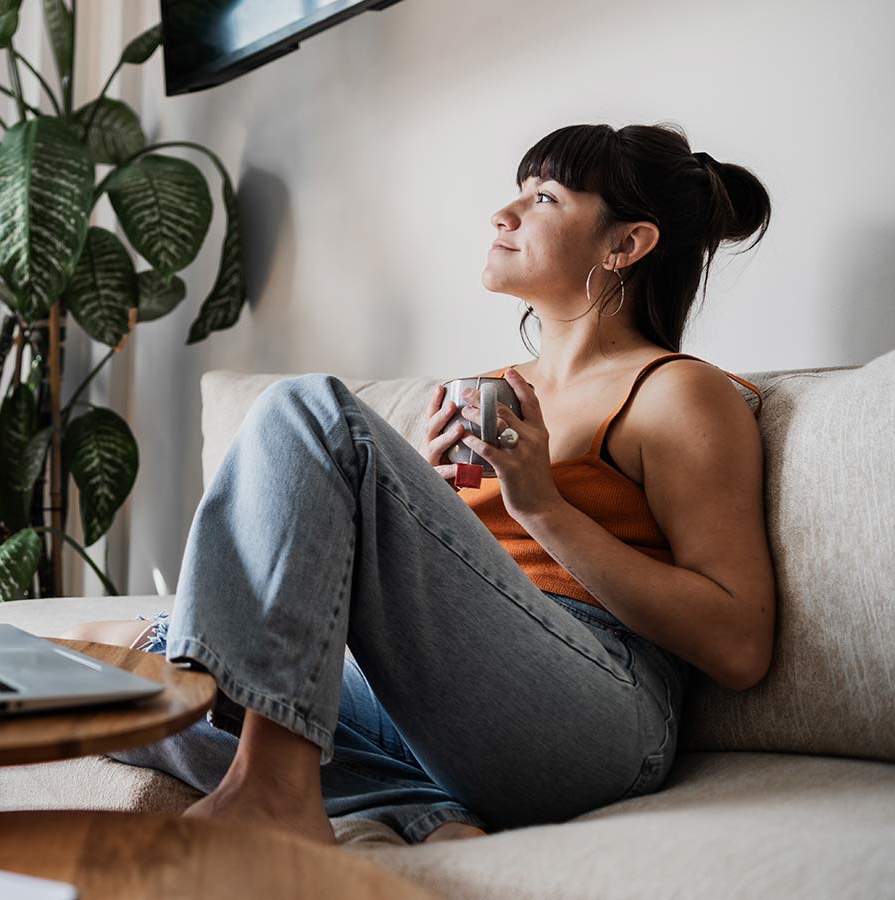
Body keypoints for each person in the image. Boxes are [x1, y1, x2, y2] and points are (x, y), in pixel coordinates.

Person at [58, 122, 777, 846]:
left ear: (626, 245)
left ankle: (273, 789)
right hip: (446, 716)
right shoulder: (495, 392)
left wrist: (541, 507)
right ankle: (418, 809)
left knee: (306, 411)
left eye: (546, 198)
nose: (507, 212)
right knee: (107, 675)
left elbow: (739, 646)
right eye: (520, 191)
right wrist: (421, 500)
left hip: (601, 708)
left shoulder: (677, 394)